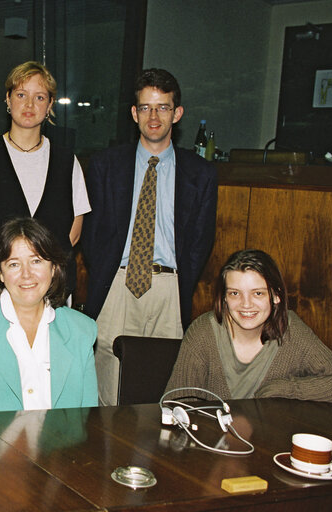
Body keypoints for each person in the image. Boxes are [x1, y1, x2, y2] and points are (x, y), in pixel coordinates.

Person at [82, 68, 217, 405]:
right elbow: (92, 233)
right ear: (134, 113)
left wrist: (180, 283)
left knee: (161, 387)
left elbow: (201, 240)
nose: (154, 116)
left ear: (177, 113)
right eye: (145, 107)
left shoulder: (200, 173)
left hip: (169, 289)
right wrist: (105, 275)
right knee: (108, 384)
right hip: (117, 285)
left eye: (163, 107)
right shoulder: (104, 165)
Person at [0, 218, 97, 414]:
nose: (27, 274)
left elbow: (88, 417)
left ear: (54, 268)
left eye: (36, 261)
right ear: (0, 273)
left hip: (61, 444)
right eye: (14, 264)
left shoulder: (82, 329)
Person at [165, 249, 332, 403]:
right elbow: (175, 403)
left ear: (276, 296)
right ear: (224, 297)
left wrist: (282, 389)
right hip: (210, 443)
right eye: (234, 293)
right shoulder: (203, 332)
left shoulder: (291, 330)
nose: (246, 304)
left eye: (258, 293)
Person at [0, 61, 90, 295]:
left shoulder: (67, 160)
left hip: (51, 291)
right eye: (21, 94)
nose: (29, 104)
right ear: (8, 99)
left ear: (50, 104)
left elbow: (73, 234)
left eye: (40, 97)